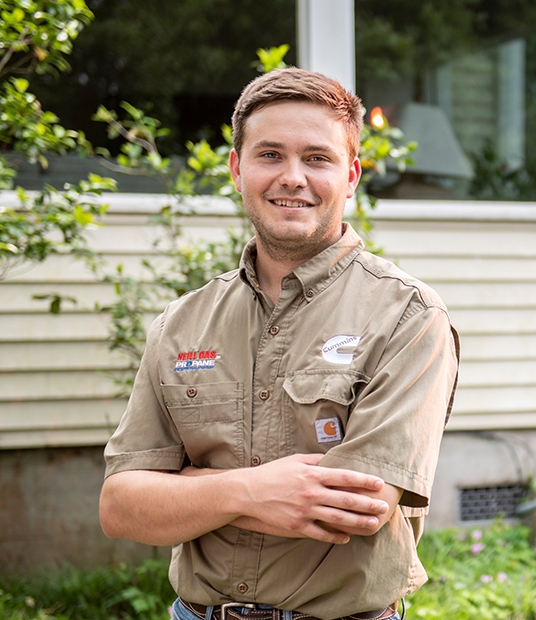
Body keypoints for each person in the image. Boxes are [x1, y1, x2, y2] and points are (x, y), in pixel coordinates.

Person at [99, 67, 459, 620]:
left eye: (317, 158)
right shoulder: (182, 323)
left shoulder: (408, 317)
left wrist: (186, 488)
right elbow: (122, 507)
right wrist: (251, 490)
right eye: (270, 155)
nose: (293, 177)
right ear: (237, 169)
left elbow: (359, 509)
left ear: (351, 176)